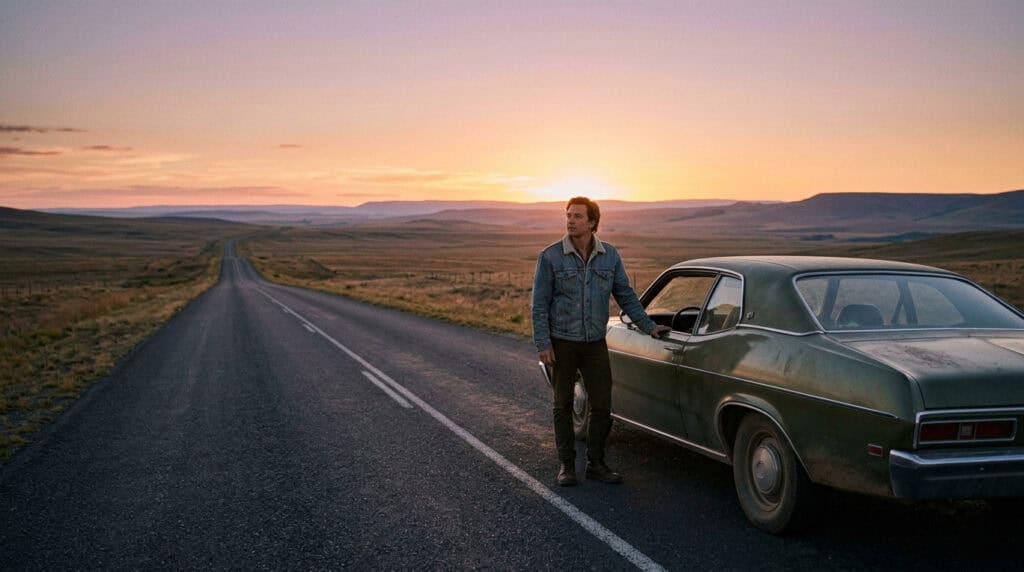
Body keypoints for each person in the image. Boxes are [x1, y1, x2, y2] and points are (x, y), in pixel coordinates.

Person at [531, 197, 671, 486]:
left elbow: (626, 296)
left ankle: (596, 463)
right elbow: (539, 305)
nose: (570, 221)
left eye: (578, 216)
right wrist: (543, 344)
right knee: (563, 405)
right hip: (562, 343)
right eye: (568, 216)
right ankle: (567, 466)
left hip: (595, 343)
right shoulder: (551, 257)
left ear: (593, 222)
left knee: (603, 406)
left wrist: (649, 326)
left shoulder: (610, 256)